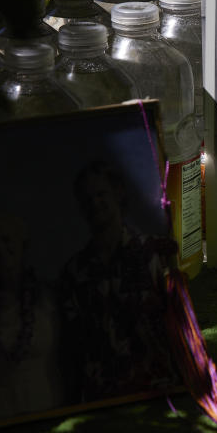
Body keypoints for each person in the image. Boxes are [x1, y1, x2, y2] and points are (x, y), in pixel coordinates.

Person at [60, 160, 177, 403]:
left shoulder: (154, 253)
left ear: (118, 193)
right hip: (102, 396)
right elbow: (73, 346)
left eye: (101, 194)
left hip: (157, 389)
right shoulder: (74, 272)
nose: (95, 203)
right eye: (87, 198)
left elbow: (176, 321)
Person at [0, 214, 65, 420]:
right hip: (1, 414)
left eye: (6, 240)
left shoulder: (48, 298)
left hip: (48, 407)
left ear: (22, 243)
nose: (0, 249)